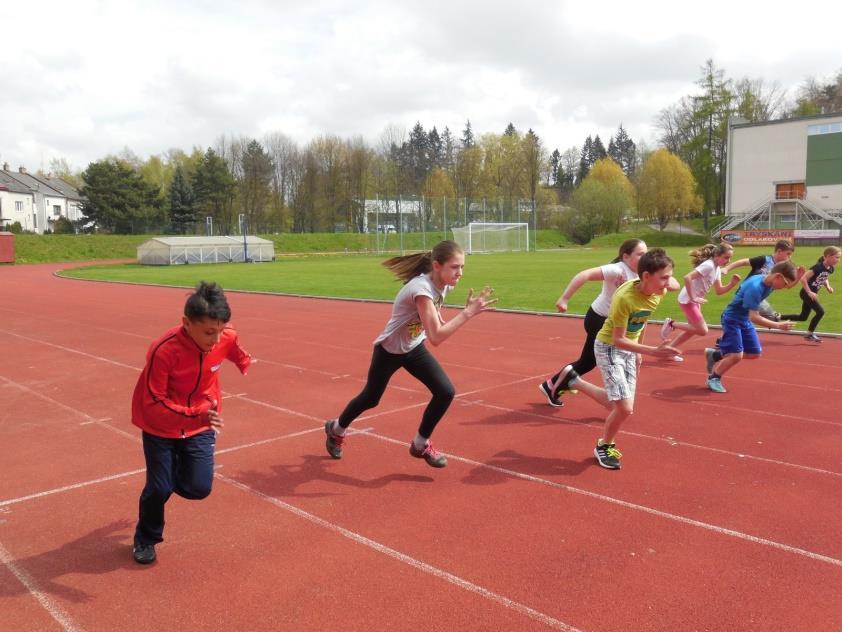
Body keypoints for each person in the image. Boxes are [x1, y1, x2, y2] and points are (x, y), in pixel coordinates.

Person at [324, 240, 496, 468]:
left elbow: (432, 318)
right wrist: (467, 314)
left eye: (462, 267)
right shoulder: (421, 290)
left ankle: (420, 444)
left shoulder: (443, 284)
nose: (460, 273)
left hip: (413, 347)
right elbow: (436, 337)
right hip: (389, 350)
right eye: (455, 267)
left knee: (445, 392)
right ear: (437, 265)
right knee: (371, 398)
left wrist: (448, 315)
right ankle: (336, 429)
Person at [131, 282, 251, 564]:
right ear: (186, 323)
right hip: (160, 425)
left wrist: (244, 361)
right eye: (209, 332)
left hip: (200, 421)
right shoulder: (164, 350)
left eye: (221, 330)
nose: (216, 338)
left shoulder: (225, 336)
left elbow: (232, 347)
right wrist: (195, 414)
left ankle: (166, 480)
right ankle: (146, 538)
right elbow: (154, 400)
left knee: (199, 488)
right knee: (158, 489)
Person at [561, 249, 681, 469]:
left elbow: (643, 319)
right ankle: (604, 447)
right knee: (624, 408)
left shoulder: (658, 290)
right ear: (646, 276)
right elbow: (618, 340)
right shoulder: (624, 298)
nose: (668, 283)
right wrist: (652, 351)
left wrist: (637, 352)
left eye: (668, 277)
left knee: (618, 404)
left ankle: (573, 380)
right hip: (609, 347)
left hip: (629, 348)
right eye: (663, 277)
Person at [540, 238, 651, 407]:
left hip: (612, 323)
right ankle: (613, 400)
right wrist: (564, 299)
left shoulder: (641, 276)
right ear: (626, 256)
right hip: (599, 320)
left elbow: (642, 315)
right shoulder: (617, 270)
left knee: (587, 362)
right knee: (606, 359)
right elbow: (584, 275)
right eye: (640, 254)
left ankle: (552, 385)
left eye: (646, 254)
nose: (645, 257)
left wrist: (638, 350)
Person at [703, 261, 803, 394]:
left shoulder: (771, 281)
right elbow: (754, 317)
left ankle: (715, 355)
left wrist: (799, 276)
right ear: (778, 276)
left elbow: (788, 284)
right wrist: (778, 325)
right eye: (785, 283)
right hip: (732, 319)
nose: (785, 287)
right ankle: (713, 378)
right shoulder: (755, 287)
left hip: (743, 319)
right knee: (736, 356)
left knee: (754, 353)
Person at [659, 243, 741, 353]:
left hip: (694, 300)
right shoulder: (709, 265)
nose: (729, 261)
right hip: (688, 300)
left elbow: (719, 291)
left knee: (692, 330)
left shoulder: (716, 269)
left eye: (730, 258)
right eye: (726, 257)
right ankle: (671, 324)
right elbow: (687, 277)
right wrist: (693, 297)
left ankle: (669, 351)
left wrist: (732, 284)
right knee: (702, 330)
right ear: (717, 255)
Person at [723, 239, 796, 322]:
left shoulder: (784, 268)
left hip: (760, 296)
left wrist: (799, 277)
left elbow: (787, 285)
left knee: (748, 318)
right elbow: (744, 262)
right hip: (749, 292)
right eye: (788, 254)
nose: (789, 257)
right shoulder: (764, 260)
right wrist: (727, 268)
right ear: (779, 251)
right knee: (762, 317)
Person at [779, 246, 840, 342]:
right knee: (820, 312)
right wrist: (809, 292)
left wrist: (828, 286)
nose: (838, 260)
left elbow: (824, 277)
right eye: (837, 257)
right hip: (806, 293)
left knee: (803, 317)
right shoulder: (818, 267)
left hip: (812, 294)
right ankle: (809, 334)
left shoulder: (831, 269)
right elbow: (803, 279)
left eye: (839, 258)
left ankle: (778, 317)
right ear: (828, 256)